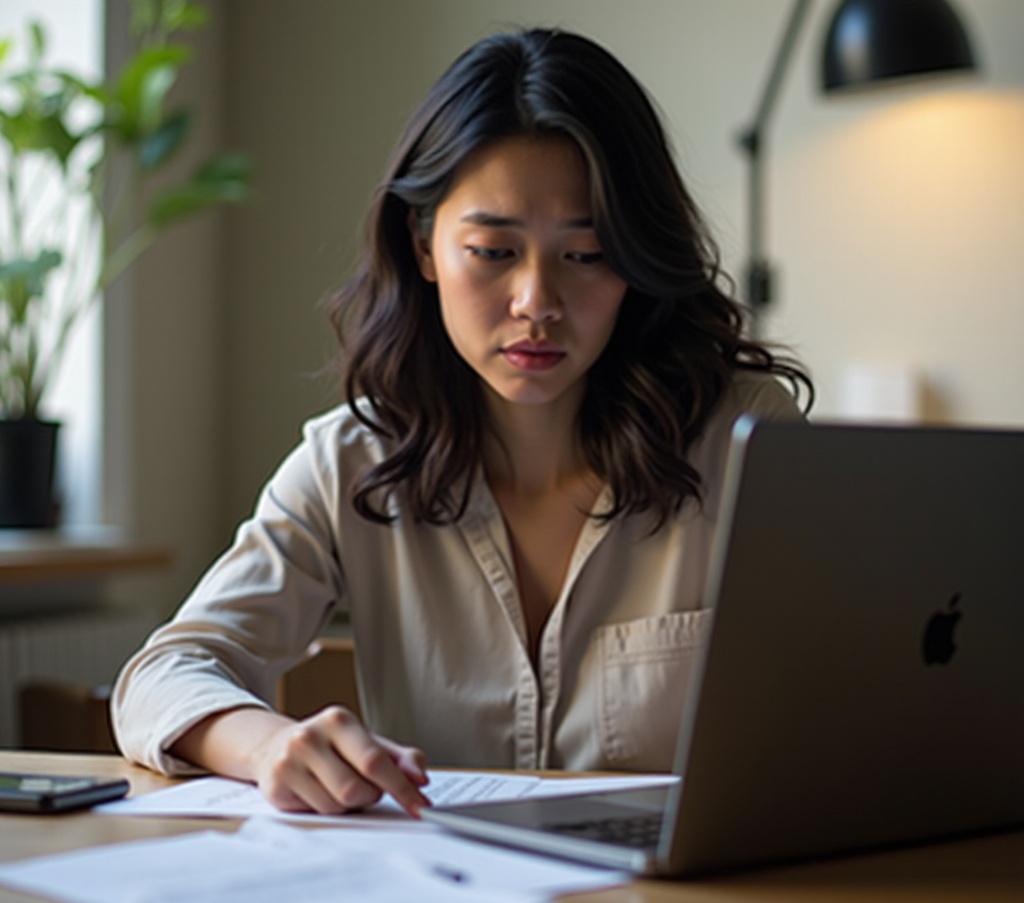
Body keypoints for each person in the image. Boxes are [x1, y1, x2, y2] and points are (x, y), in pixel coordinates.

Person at [111, 27, 812, 818]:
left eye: (586, 256)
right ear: (423, 247)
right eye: (492, 251)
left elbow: (857, 682)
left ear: (637, 264)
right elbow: (165, 672)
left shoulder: (743, 441)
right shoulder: (354, 459)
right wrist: (268, 744)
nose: (537, 303)